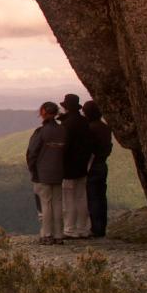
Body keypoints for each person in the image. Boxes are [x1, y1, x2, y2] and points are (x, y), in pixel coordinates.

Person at [27, 101, 65, 244]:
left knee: (46, 203)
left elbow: (32, 153)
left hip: (43, 172)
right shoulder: (62, 130)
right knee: (57, 202)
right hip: (59, 170)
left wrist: (32, 169)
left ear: (43, 112)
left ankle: (47, 234)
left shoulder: (41, 132)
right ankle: (59, 235)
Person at [58, 93, 92, 238]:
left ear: (66, 108)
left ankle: (70, 229)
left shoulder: (67, 124)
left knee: (68, 199)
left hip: (69, 167)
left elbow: (64, 146)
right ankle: (83, 229)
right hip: (82, 165)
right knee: (81, 197)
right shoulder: (85, 122)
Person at [83, 100, 113, 237]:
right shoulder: (105, 128)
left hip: (92, 165)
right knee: (101, 197)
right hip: (102, 164)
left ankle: (95, 228)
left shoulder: (90, 129)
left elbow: (88, 149)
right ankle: (102, 227)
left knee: (93, 197)